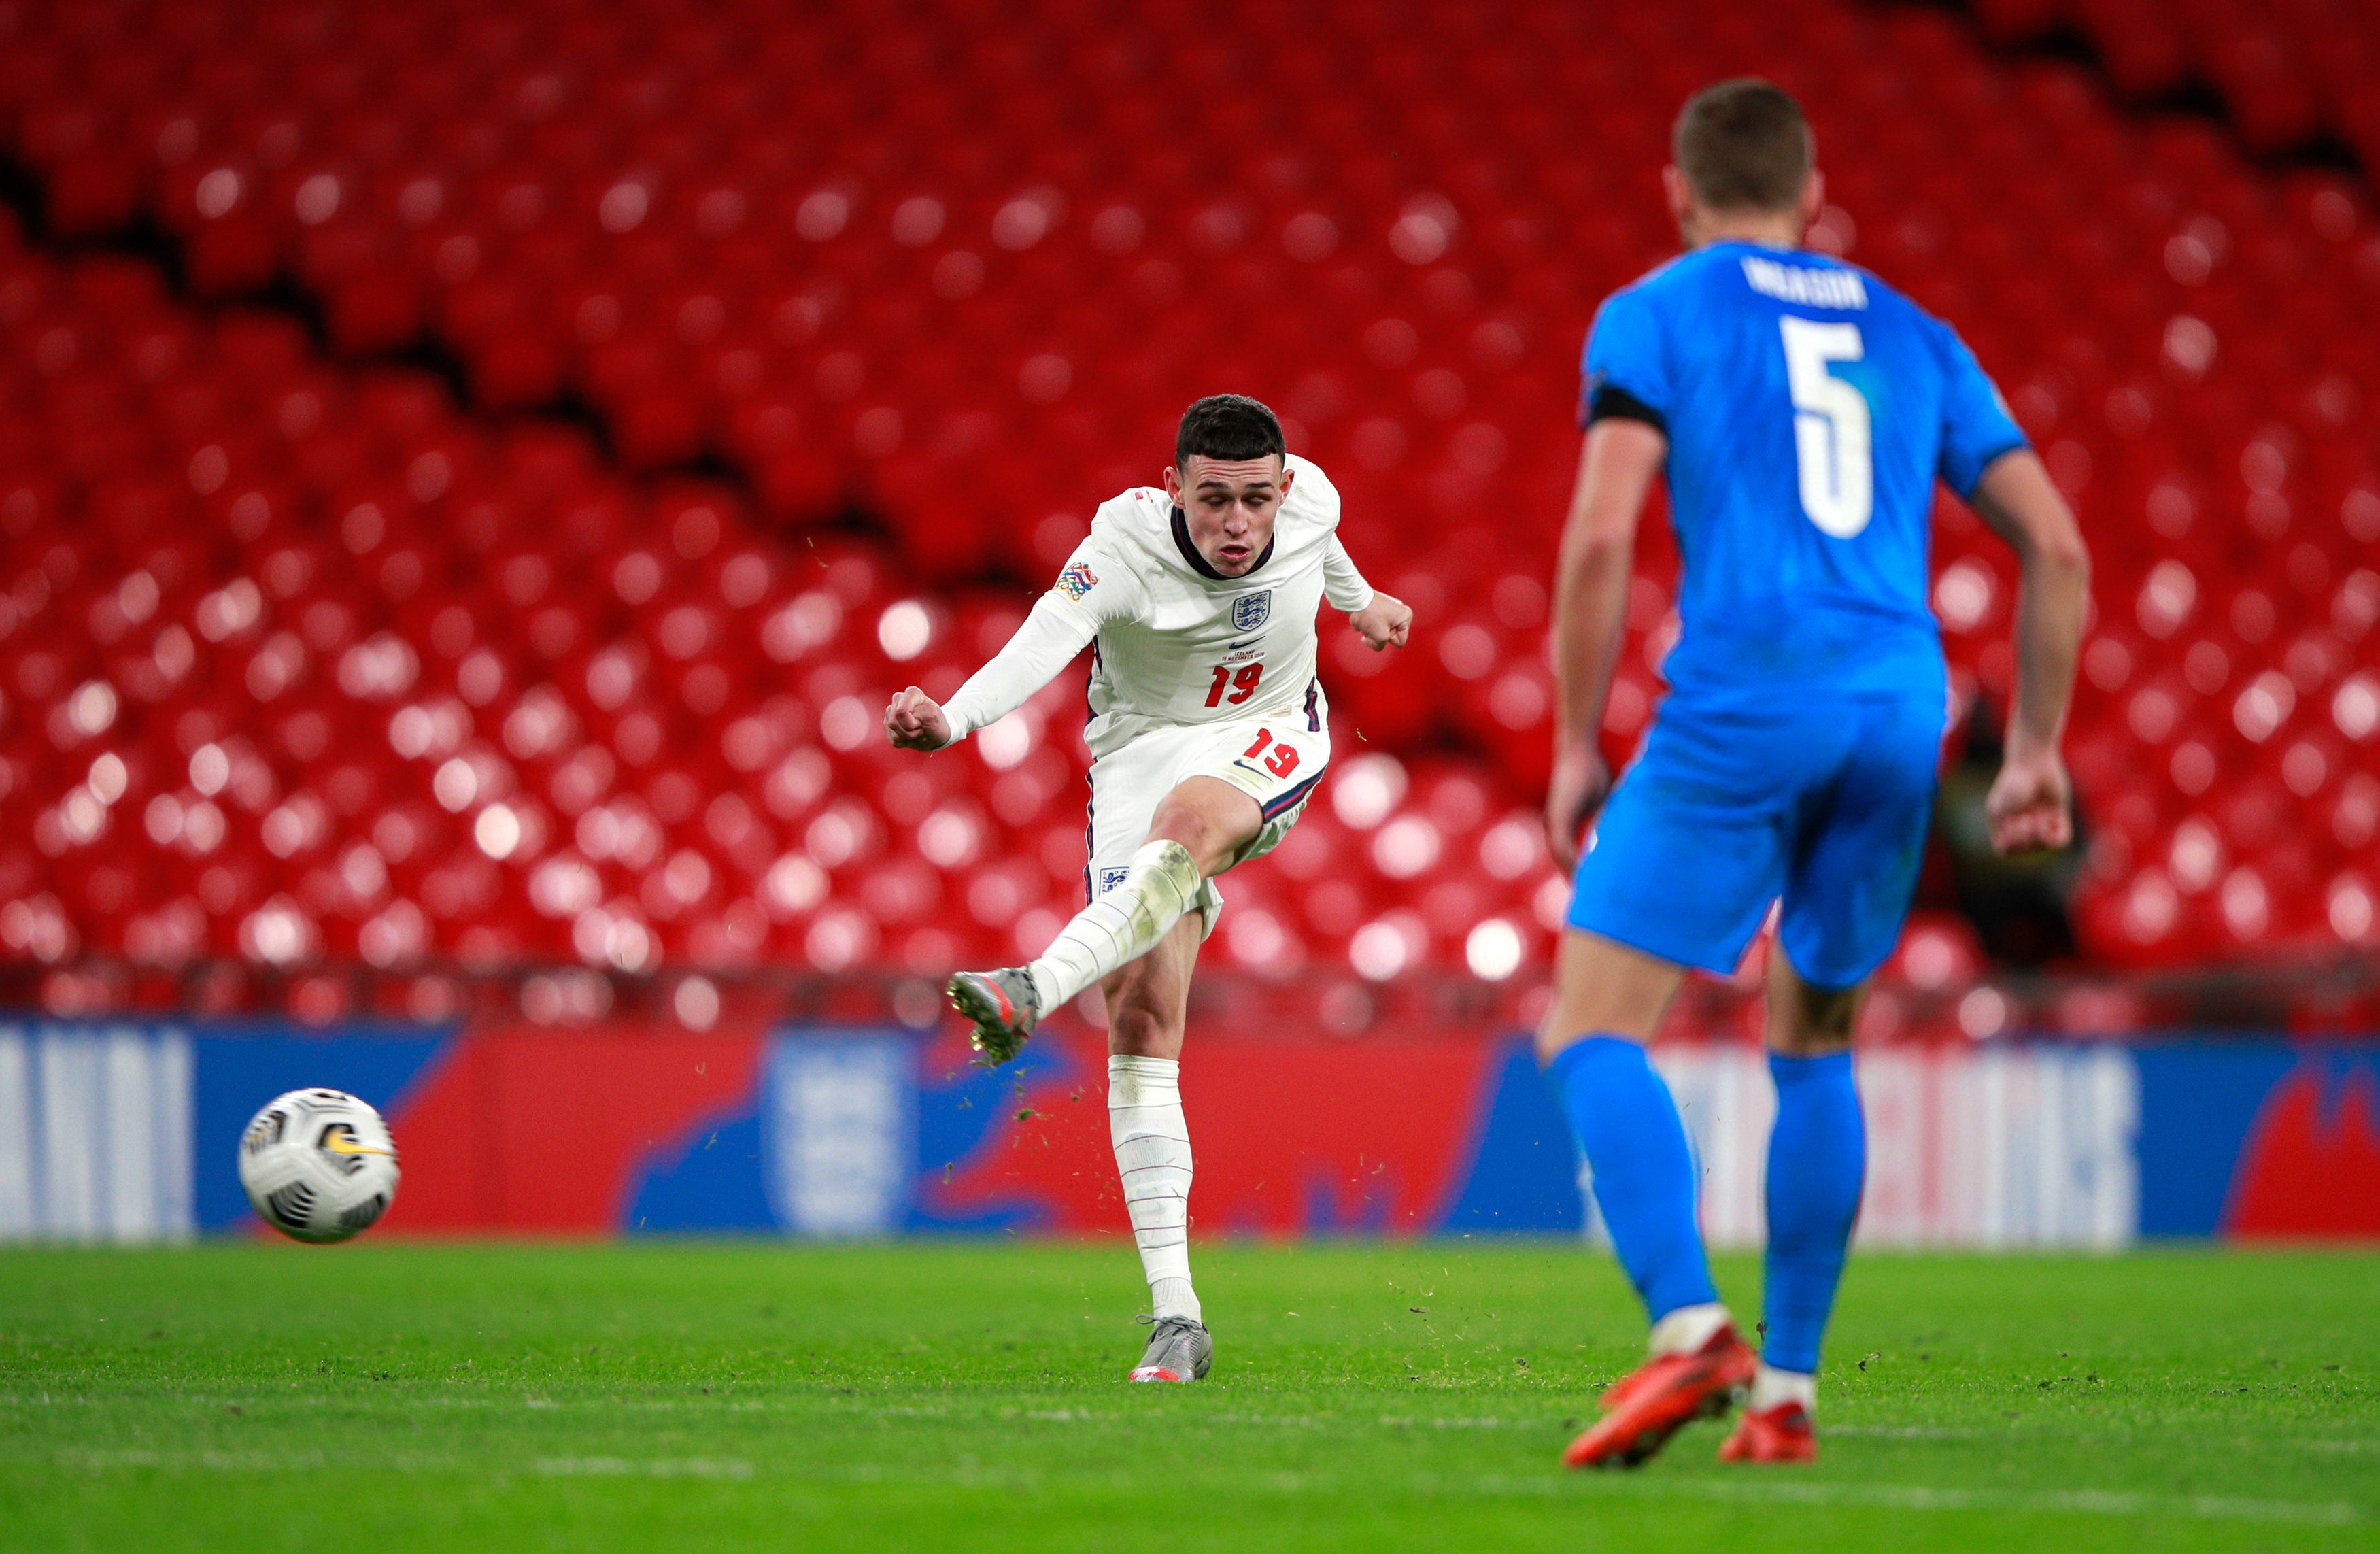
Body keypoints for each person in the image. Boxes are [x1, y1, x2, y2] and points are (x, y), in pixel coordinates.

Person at [1541, 80, 2088, 1468]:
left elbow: (1602, 536)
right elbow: (2059, 549)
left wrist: (1569, 743)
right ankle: (1786, 1398)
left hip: (1749, 690)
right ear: (1813, 186)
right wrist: (2028, 750)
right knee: (1813, 1042)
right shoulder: (1916, 332)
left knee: (1591, 1029)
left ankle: (1685, 1332)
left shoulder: (1656, 310)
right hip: (1899, 707)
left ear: (1679, 190)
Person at [884, 394, 1412, 1385]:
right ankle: (1178, 1316)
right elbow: (1043, 638)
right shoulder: (1120, 547)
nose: (1238, 523)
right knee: (1140, 1021)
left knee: (1193, 825)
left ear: (1285, 489)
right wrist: (952, 720)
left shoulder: (1311, 507)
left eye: (1257, 498)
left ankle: (1032, 986)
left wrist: (1362, 602)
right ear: (1174, 486)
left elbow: (1322, 550)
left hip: (1266, 733)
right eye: (1214, 499)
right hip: (1135, 749)